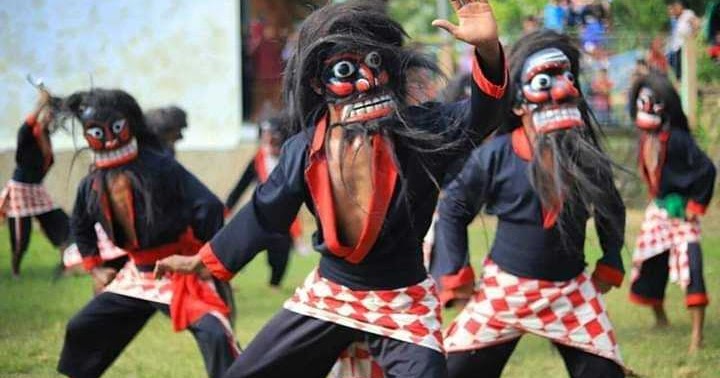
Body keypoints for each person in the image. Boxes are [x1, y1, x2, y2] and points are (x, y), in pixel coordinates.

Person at [155, 1, 507, 376]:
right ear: (316, 82)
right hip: (329, 294)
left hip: (403, 301)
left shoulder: (422, 131)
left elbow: (480, 117)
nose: (366, 81)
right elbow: (264, 213)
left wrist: (487, 50)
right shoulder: (303, 150)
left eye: (375, 64)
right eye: (345, 70)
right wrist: (203, 260)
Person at [434, 30, 627, 378]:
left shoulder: (587, 158)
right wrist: (455, 270)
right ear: (519, 103)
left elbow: (611, 208)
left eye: (568, 78)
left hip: (572, 294)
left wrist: (611, 259)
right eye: (544, 80)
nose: (564, 89)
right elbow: (453, 209)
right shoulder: (495, 156)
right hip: (505, 290)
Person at [57, 88, 240, 378]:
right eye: (97, 132)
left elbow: (209, 207)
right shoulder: (92, 181)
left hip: (180, 270)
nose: (109, 139)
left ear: (130, 124)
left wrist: (208, 259)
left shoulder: (161, 166)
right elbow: (80, 224)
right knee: (81, 328)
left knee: (216, 334)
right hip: (135, 275)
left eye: (115, 128)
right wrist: (96, 268)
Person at [627, 73, 716, 353]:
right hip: (659, 210)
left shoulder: (677, 139)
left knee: (692, 268)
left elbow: (707, 169)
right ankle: (661, 319)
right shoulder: (644, 137)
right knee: (648, 262)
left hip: (683, 212)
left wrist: (695, 205)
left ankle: (697, 337)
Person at [225, 116, 305, 288]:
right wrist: (227, 208)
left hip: (284, 215)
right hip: (259, 212)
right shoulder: (258, 160)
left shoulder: (291, 156)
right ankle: (226, 280)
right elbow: (241, 185)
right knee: (243, 247)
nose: (270, 141)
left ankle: (274, 284)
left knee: (280, 253)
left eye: (274, 137)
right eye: (267, 137)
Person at [0, 89, 71, 277]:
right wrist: (40, 104)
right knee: (21, 236)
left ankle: (65, 266)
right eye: (48, 114)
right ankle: (15, 272)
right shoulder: (28, 135)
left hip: (37, 190)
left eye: (52, 115)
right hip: (20, 190)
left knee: (62, 224)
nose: (50, 117)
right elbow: (26, 125)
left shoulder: (45, 137)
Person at [667, 0, 700, 80]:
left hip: (685, 46)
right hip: (676, 47)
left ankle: (686, 87)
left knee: (684, 70)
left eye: (676, 8)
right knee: (677, 71)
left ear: (680, 7)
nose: (674, 10)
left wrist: (693, 36)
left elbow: (696, 23)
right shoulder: (676, 18)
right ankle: (680, 87)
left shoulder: (687, 14)